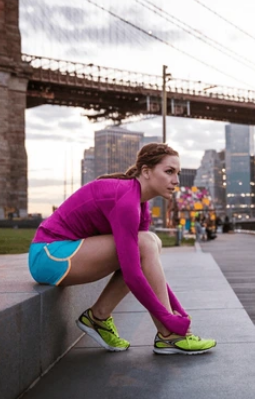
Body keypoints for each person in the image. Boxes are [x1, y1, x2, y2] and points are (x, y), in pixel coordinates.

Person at [28, 143, 216, 355]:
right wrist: (169, 320)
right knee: (146, 242)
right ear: (146, 171)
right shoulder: (126, 199)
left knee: (151, 242)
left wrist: (179, 313)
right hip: (49, 255)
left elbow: (146, 268)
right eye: (169, 172)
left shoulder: (140, 204)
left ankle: (98, 317)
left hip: (68, 253)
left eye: (178, 173)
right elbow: (132, 275)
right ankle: (169, 336)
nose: (176, 181)